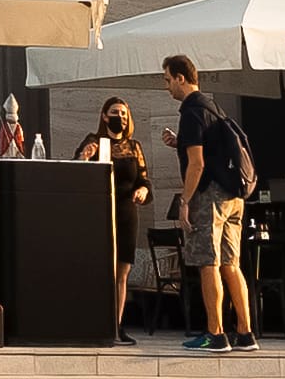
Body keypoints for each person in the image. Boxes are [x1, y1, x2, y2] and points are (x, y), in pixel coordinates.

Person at [160, 56, 259, 353]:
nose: (167, 87)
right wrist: (179, 141)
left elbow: (197, 164)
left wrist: (185, 202)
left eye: (167, 80)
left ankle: (215, 334)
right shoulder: (214, 108)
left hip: (210, 197)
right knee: (231, 264)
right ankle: (245, 333)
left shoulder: (191, 112)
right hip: (234, 197)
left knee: (208, 263)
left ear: (181, 78)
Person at [80, 100, 152, 332]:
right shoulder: (93, 141)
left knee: (122, 270)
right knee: (101, 268)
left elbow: (144, 179)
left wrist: (143, 190)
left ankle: (116, 325)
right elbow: (76, 173)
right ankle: (96, 322)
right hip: (100, 212)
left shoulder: (134, 146)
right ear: (104, 116)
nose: (119, 117)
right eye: (114, 113)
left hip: (126, 211)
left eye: (123, 113)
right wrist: (84, 157)